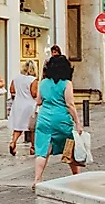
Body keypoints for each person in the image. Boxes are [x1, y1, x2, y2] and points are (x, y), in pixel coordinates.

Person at [31, 55, 83, 189]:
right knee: (70, 147)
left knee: (42, 151)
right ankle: (76, 177)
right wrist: (77, 122)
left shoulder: (43, 83)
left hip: (44, 119)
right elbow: (70, 104)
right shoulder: (66, 84)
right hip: (61, 120)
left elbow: (38, 101)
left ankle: (37, 179)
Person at [8, 60, 39, 156]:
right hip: (29, 104)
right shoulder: (33, 80)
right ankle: (33, 147)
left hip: (18, 103)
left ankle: (13, 142)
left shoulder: (16, 78)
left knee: (18, 125)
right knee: (32, 127)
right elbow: (34, 94)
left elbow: (12, 90)